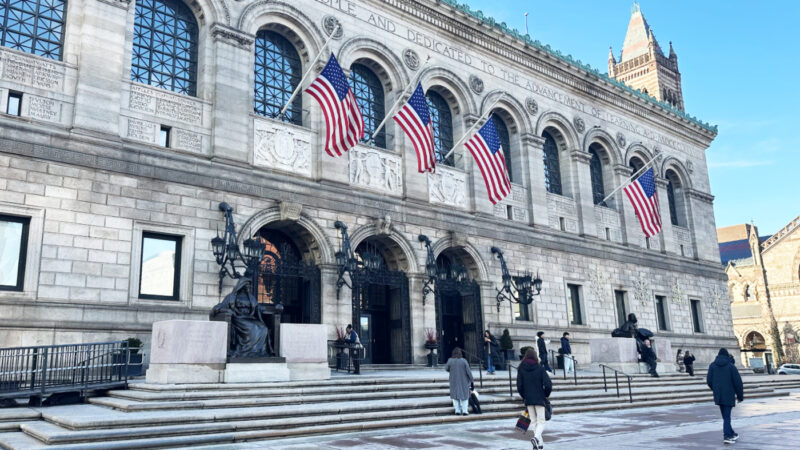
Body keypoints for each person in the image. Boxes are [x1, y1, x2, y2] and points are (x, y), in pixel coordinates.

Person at [517, 348, 552, 450]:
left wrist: (525, 396)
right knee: (541, 421)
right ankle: (536, 438)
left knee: (533, 421)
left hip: (528, 399)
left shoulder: (521, 368)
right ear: (535, 356)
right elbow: (548, 384)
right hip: (539, 398)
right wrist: (545, 394)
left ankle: (539, 445)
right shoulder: (540, 368)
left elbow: (519, 386)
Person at [707, 348, 744, 445]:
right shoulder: (731, 366)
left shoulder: (712, 366)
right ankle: (727, 436)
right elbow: (738, 383)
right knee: (727, 416)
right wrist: (740, 396)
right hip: (728, 394)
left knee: (725, 416)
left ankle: (731, 433)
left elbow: (709, 380)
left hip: (718, 394)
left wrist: (715, 389)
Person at [445, 348, 474, 416]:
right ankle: (465, 411)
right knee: (465, 396)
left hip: (453, 380)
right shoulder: (464, 361)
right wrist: (472, 380)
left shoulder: (450, 360)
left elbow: (446, 368)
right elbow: (468, 371)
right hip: (463, 380)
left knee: (455, 396)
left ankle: (457, 411)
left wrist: (451, 370)